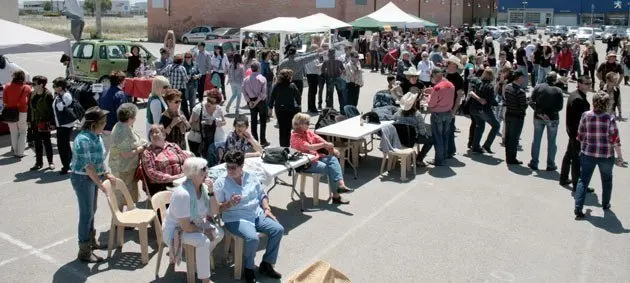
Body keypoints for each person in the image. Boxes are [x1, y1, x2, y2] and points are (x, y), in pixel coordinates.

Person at [214, 150, 285, 283]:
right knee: (252, 239)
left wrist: (266, 208)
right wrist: (229, 203)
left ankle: (267, 264)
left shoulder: (251, 176)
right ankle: (248, 268)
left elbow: (261, 194)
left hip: (255, 213)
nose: (230, 170)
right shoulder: (221, 182)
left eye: (233, 167)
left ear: (242, 167)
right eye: (227, 167)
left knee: (278, 230)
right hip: (236, 218)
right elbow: (217, 208)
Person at [162, 157, 224, 283]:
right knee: (204, 241)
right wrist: (203, 230)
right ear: (193, 173)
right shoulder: (183, 194)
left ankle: (196, 262)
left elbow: (215, 211)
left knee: (219, 233)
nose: (207, 172)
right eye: (203, 170)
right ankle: (205, 279)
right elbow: (185, 226)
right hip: (176, 230)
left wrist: (212, 192)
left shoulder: (203, 189)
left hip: (195, 222)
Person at [70, 106, 115, 262]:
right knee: (86, 213)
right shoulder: (83, 140)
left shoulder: (97, 136)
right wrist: (101, 184)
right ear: (94, 123)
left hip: (91, 177)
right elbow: (89, 167)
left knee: (91, 210)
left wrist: (106, 172)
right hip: (82, 179)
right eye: (103, 122)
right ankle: (84, 250)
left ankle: (91, 241)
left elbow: (99, 160)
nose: (105, 124)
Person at [573, 92, 620, 219]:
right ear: (607, 104)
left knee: (583, 180)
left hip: (588, 153)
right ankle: (605, 204)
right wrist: (619, 156)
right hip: (606, 155)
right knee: (607, 180)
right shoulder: (610, 118)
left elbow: (580, 135)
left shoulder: (585, 115)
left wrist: (584, 147)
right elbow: (615, 138)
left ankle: (578, 207)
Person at [290, 113, 351, 204]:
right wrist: (324, 145)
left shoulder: (307, 132)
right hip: (304, 164)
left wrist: (332, 148)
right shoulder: (295, 136)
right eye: (307, 122)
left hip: (314, 158)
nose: (309, 124)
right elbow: (309, 147)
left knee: (333, 160)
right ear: (299, 124)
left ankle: (340, 186)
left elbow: (319, 139)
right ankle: (336, 195)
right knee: (331, 168)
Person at [109, 103, 146, 207]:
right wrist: (141, 149)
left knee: (128, 197)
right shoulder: (122, 131)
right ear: (130, 117)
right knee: (122, 197)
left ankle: (126, 220)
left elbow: (131, 142)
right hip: (123, 169)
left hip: (127, 168)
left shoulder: (123, 125)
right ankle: (119, 221)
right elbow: (126, 154)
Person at [527, 72, 564, 171]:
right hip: (552, 118)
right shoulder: (558, 90)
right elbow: (560, 107)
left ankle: (534, 162)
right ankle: (550, 164)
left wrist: (540, 112)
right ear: (555, 79)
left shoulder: (538, 87)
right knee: (552, 142)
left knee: (536, 140)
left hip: (538, 117)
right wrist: (548, 114)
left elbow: (531, 101)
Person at [560, 76, 592, 189]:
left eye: (590, 83)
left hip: (573, 132)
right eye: (587, 83)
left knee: (569, 155)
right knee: (576, 159)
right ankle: (576, 184)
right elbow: (579, 120)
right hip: (577, 134)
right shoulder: (578, 98)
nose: (589, 85)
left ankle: (563, 178)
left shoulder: (575, 95)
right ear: (579, 83)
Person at [142, 125, 191, 196]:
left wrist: (186, 172)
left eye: (156, 132)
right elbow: (151, 173)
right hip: (163, 185)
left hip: (182, 179)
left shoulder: (173, 146)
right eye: (151, 133)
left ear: (164, 135)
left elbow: (186, 160)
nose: (154, 135)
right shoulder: (148, 153)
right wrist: (172, 178)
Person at [424, 68, 455, 166]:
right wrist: (432, 91)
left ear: (435, 75)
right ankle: (443, 157)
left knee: (438, 137)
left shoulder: (437, 88)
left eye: (432, 76)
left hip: (438, 114)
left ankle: (439, 160)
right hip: (448, 113)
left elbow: (431, 104)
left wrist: (428, 97)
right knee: (445, 136)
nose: (432, 78)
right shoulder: (450, 85)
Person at [394, 92, 434, 167]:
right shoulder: (417, 114)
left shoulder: (398, 112)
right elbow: (422, 131)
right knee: (431, 140)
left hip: (399, 138)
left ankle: (414, 156)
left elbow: (393, 121)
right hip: (412, 139)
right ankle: (419, 159)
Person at [277, 44, 321, 109]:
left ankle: (290, 109)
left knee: (289, 97)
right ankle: (297, 109)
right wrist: (318, 54)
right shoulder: (300, 60)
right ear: (295, 53)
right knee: (298, 97)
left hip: (287, 81)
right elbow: (308, 57)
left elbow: (279, 72)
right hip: (298, 81)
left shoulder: (283, 62)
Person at [468, 68, 500, 154]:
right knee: (496, 125)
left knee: (480, 125)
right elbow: (492, 101)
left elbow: (470, 78)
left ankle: (475, 146)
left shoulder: (478, 82)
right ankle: (487, 145)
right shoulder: (489, 87)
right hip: (484, 110)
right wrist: (499, 103)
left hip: (473, 108)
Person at [189, 89, 226, 156]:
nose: (209, 103)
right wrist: (204, 123)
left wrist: (219, 123)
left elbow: (224, 122)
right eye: (208, 100)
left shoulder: (218, 109)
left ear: (217, 103)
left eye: (212, 102)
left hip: (213, 139)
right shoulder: (199, 108)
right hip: (199, 140)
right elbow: (191, 124)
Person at [52, 77, 77, 174]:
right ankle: (69, 164)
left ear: (61, 87)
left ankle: (66, 166)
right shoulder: (59, 95)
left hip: (65, 125)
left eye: (55, 86)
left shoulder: (65, 96)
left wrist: (59, 99)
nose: (54, 88)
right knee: (64, 146)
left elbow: (60, 108)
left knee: (63, 146)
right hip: (61, 124)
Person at [269, 69, 300, 147]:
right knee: (288, 129)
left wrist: (270, 108)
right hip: (290, 109)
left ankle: (282, 146)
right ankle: (287, 145)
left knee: (282, 129)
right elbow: (298, 97)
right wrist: (298, 105)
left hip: (279, 110)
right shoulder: (292, 85)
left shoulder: (276, 85)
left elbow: (272, 97)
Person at [3, 70, 31, 158]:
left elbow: (5, 101)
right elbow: (29, 101)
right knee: (23, 132)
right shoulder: (27, 87)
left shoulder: (7, 86)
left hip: (10, 112)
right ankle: (20, 152)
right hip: (23, 111)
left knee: (13, 132)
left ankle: (15, 151)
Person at [29, 76, 55, 170]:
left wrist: (52, 123)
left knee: (47, 142)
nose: (32, 85)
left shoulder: (48, 95)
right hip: (35, 122)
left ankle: (50, 162)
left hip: (45, 122)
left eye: (34, 84)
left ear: (41, 85)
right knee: (37, 143)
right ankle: (38, 163)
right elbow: (30, 109)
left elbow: (52, 110)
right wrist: (29, 121)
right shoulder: (32, 94)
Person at [503, 70, 529, 165]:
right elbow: (523, 107)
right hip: (517, 117)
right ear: (518, 78)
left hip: (509, 114)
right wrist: (527, 102)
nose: (524, 79)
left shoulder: (507, 87)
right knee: (514, 139)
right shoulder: (520, 92)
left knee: (508, 137)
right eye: (522, 77)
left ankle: (508, 157)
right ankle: (512, 159)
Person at [242, 60, 269, 147]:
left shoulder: (246, 79)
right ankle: (263, 140)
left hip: (250, 101)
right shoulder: (262, 78)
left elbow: (244, 92)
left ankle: (255, 140)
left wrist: (250, 102)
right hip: (260, 101)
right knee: (262, 121)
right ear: (258, 68)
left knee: (253, 121)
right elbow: (263, 94)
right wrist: (256, 102)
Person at [99, 71, 128, 150]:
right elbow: (121, 114)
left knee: (103, 153)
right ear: (120, 81)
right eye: (124, 80)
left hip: (102, 126)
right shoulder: (120, 94)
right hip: (113, 128)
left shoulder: (104, 91)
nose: (125, 81)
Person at [444, 57, 465, 158]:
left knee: (450, 130)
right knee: (446, 130)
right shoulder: (446, 75)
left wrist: (454, 110)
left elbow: (459, 95)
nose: (447, 65)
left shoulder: (458, 78)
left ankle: (450, 151)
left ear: (454, 65)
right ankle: (449, 150)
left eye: (449, 63)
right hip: (443, 106)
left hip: (451, 107)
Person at [160, 54, 191, 119]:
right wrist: (189, 77)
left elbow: (161, 73)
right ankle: (187, 119)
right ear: (181, 61)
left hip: (170, 90)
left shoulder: (169, 67)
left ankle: (169, 118)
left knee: (170, 105)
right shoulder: (182, 68)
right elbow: (186, 80)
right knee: (184, 106)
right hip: (179, 90)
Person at [321, 49, 346, 114]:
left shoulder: (326, 62)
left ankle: (330, 109)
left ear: (328, 54)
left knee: (330, 94)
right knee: (340, 94)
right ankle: (342, 109)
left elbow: (322, 70)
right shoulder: (338, 61)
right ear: (334, 54)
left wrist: (326, 74)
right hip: (338, 78)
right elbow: (343, 70)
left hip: (330, 79)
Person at [304, 45, 321, 113]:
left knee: (312, 92)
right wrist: (323, 64)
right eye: (316, 49)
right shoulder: (311, 57)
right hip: (312, 75)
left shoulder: (313, 57)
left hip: (313, 75)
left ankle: (311, 107)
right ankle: (312, 108)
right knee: (312, 92)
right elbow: (315, 66)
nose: (317, 50)